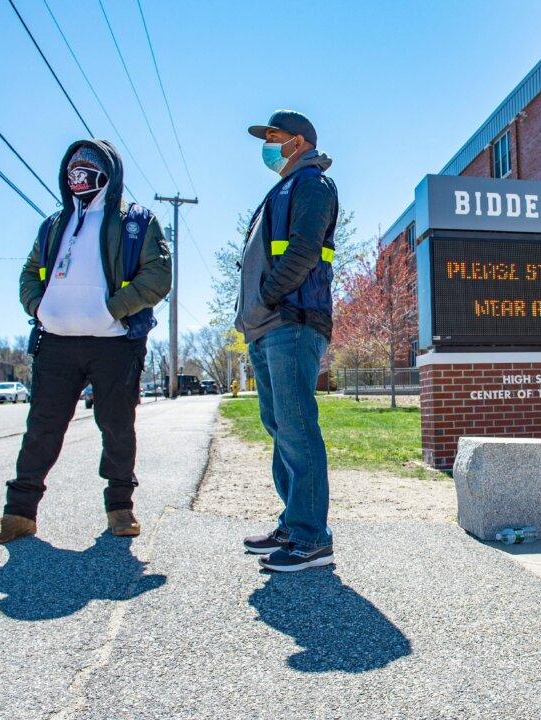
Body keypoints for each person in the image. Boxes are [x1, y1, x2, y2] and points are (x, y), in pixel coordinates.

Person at [0, 140, 171, 545]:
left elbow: (158, 277)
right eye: (73, 166)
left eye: (88, 164)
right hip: (56, 343)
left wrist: (110, 310)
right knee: (41, 427)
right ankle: (19, 515)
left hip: (115, 343)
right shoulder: (53, 224)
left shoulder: (136, 221)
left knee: (117, 426)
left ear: (109, 171)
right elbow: (30, 272)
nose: (78, 172)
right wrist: (40, 308)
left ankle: (121, 509)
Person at [237, 109, 338, 572]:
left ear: (298, 141)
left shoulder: (312, 184)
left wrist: (268, 296)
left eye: (274, 137)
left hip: (292, 321)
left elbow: (303, 251)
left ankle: (310, 537)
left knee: (297, 426)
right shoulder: (280, 188)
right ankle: (293, 522)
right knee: (280, 427)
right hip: (265, 326)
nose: (267, 144)